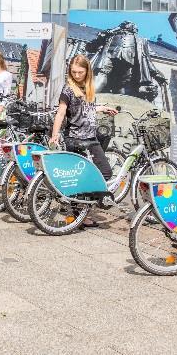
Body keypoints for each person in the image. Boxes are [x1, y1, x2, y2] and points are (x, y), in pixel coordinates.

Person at [50, 54, 118, 228]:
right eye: (73, 72)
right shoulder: (68, 89)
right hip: (75, 138)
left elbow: (87, 107)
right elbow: (61, 112)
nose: (77, 75)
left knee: (99, 173)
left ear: (87, 71)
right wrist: (55, 134)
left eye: (80, 72)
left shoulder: (88, 87)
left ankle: (82, 209)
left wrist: (103, 108)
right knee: (84, 176)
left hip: (90, 137)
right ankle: (81, 214)